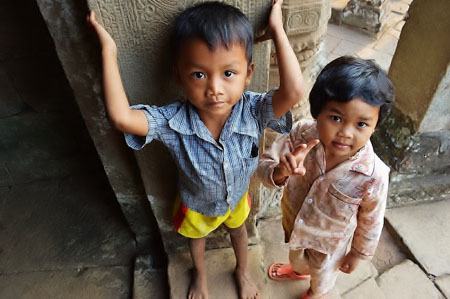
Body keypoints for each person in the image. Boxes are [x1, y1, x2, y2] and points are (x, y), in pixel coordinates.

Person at [88, 1, 303, 298]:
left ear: (248, 73)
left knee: (240, 232)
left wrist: (278, 31)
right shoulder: (172, 122)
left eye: (229, 73)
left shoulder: (254, 110)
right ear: (179, 75)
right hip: (195, 204)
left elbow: (293, 91)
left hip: (238, 198)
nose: (214, 87)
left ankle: (241, 271)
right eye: (199, 74)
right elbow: (121, 118)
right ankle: (199, 274)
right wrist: (108, 52)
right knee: (196, 238)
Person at [257, 56, 394, 299]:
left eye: (361, 124)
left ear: (375, 126)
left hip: (330, 245)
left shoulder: (374, 175)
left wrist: (358, 253)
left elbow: (371, 221)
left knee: (322, 275)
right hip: (295, 222)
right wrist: (280, 171)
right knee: (297, 258)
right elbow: (266, 163)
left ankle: (315, 293)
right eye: (336, 118)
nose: (345, 133)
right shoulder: (302, 134)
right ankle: (300, 272)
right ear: (318, 111)